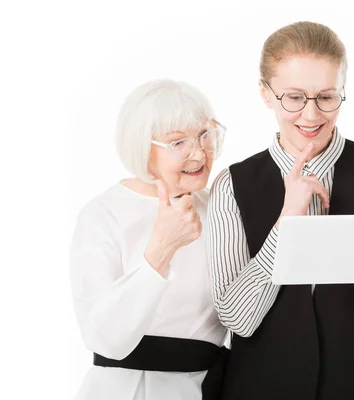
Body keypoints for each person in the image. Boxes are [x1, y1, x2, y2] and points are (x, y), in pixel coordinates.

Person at [207, 21, 354, 400]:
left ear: (343, 91)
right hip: (262, 388)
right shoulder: (230, 185)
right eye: (294, 97)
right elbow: (238, 319)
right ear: (265, 93)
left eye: (326, 97)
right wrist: (286, 222)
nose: (311, 116)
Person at [70, 79, 228, 400]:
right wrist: (161, 250)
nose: (198, 153)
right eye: (178, 142)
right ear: (143, 148)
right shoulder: (102, 215)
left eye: (204, 135)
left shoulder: (220, 208)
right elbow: (106, 339)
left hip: (209, 388)